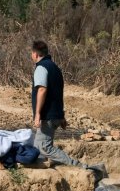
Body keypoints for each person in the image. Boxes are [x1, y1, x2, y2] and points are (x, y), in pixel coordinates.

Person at [30, 40, 86, 170]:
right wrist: (61, 115)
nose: (31, 56)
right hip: (55, 114)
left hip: (48, 116)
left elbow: (42, 90)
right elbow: (57, 93)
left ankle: (78, 167)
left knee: (43, 147)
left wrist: (37, 113)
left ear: (35, 54)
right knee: (41, 146)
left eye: (31, 53)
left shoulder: (41, 68)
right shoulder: (56, 68)